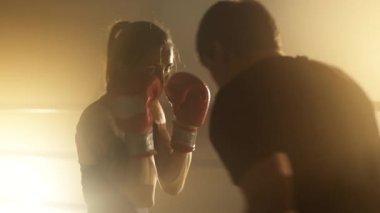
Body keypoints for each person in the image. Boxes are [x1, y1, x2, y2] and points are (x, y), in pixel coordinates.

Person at [196, 1, 380, 212]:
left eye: (210, 67)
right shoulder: (340, 80)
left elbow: (269, 202)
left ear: (218, 51)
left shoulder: (237, 97)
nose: (216, 79)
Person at [75, 21, 210, 213]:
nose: (161, 80)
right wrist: (138, 125)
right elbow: (141, 194)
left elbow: (172, 183)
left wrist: (187, 128)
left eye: (166, 69)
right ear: (122, 68)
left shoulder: (153, 110)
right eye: (151, 70)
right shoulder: (96, 118)